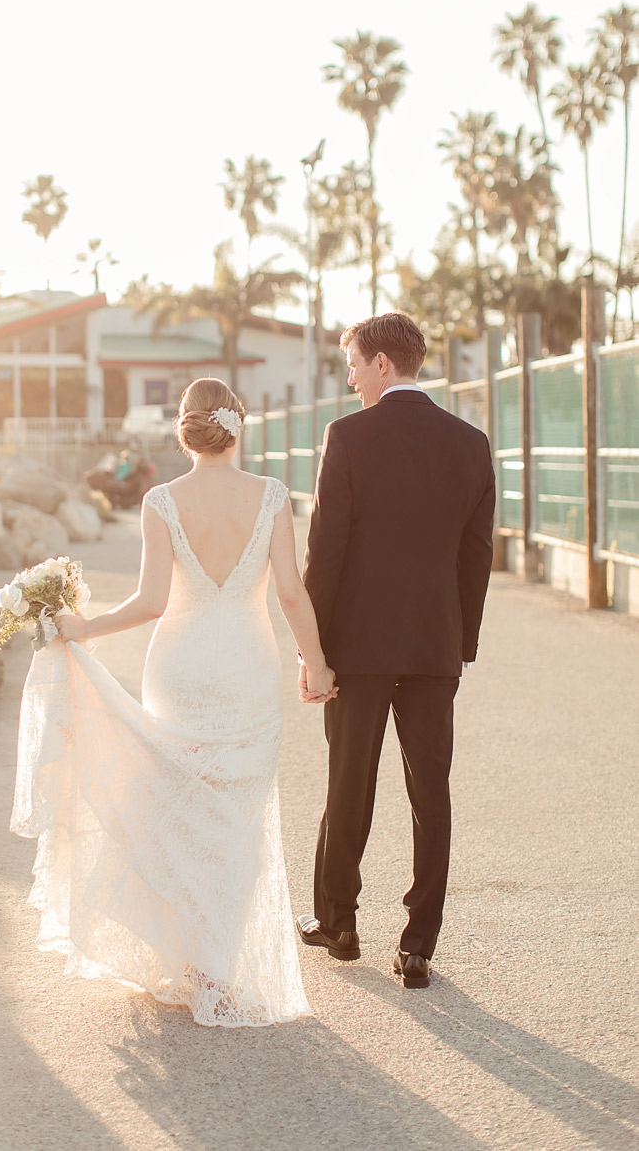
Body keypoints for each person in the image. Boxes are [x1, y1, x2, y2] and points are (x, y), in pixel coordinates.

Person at [10, 376, 336, 1027]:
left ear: (186, 428)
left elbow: (152, 601)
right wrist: (319, 665)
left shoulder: (160, 500)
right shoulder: (272, 497)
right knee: (236, 823)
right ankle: (216, 969)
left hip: (180, 667)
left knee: (179, 811)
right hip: (247, 664)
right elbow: (292, 595)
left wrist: (82, 626)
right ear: (238, 424)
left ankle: (194, 961)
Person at [296, 313, 495, 989]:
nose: (348, 377)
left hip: (357, 647)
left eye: (353, 363)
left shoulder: (348, 437)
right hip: (435, 648)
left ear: (383, 364)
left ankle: (339, 923)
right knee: (429, 792)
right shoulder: (471, 443)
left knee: (348, 783)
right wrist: (458, 643)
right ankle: (418, 945)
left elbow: (326, 553)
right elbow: (477, 556)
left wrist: (313, 652)